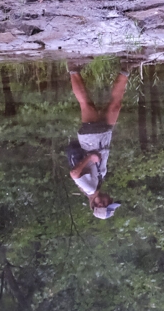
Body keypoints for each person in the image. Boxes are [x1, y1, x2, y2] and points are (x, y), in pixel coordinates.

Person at [66, 64, 130, 220]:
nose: (111, 199)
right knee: (115, 106)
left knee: (86, 103)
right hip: (102, 139)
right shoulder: (96, 186)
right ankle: (126, 69)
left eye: (109, 203)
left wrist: (90, 158)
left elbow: (74, 174)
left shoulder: (89, 189)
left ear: (100, 205)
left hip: (91, 140)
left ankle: (73, 69)